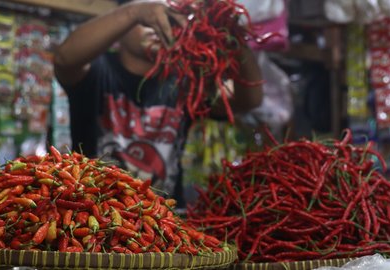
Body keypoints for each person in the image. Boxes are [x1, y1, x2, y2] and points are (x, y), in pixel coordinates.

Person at [53, 0, 263, 206]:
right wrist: (136, 12)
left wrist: (234, 36)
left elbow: (250, 99)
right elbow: (64, 58)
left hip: (164, 221)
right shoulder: (97, 72)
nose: (156, 25)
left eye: (167, 19)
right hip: (93, 213)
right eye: (146, 21)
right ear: (121, 26)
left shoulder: (184, 82)